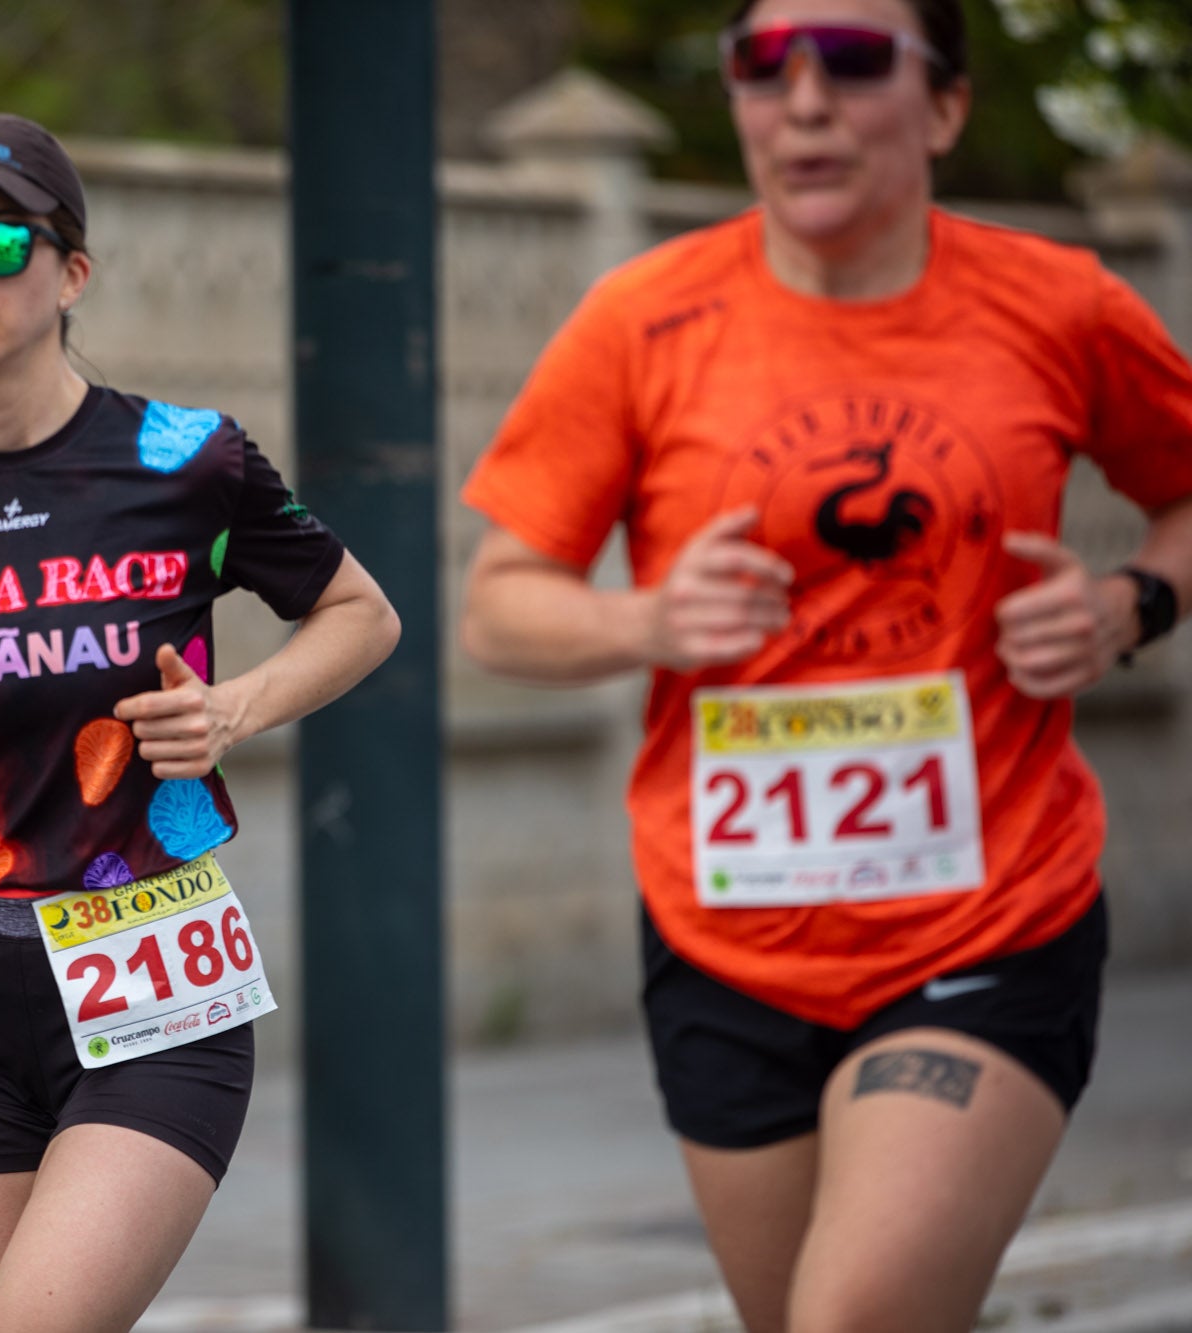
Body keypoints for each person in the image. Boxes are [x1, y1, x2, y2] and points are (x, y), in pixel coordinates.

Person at [458, 2, 1192, 1329]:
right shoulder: (642, 318)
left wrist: (1133, 601)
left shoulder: (1059, 305)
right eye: (763, 63)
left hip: (987, 916)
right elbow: (499, 608)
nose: (803, 100)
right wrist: (649, 622)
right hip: (727, 929)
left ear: (947, 107)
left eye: (853, 61)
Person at [0, 112, 399, 1333]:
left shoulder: (185, 460)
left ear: (70, 273)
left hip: (150, 965)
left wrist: (232, 708)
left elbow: (362, 615)